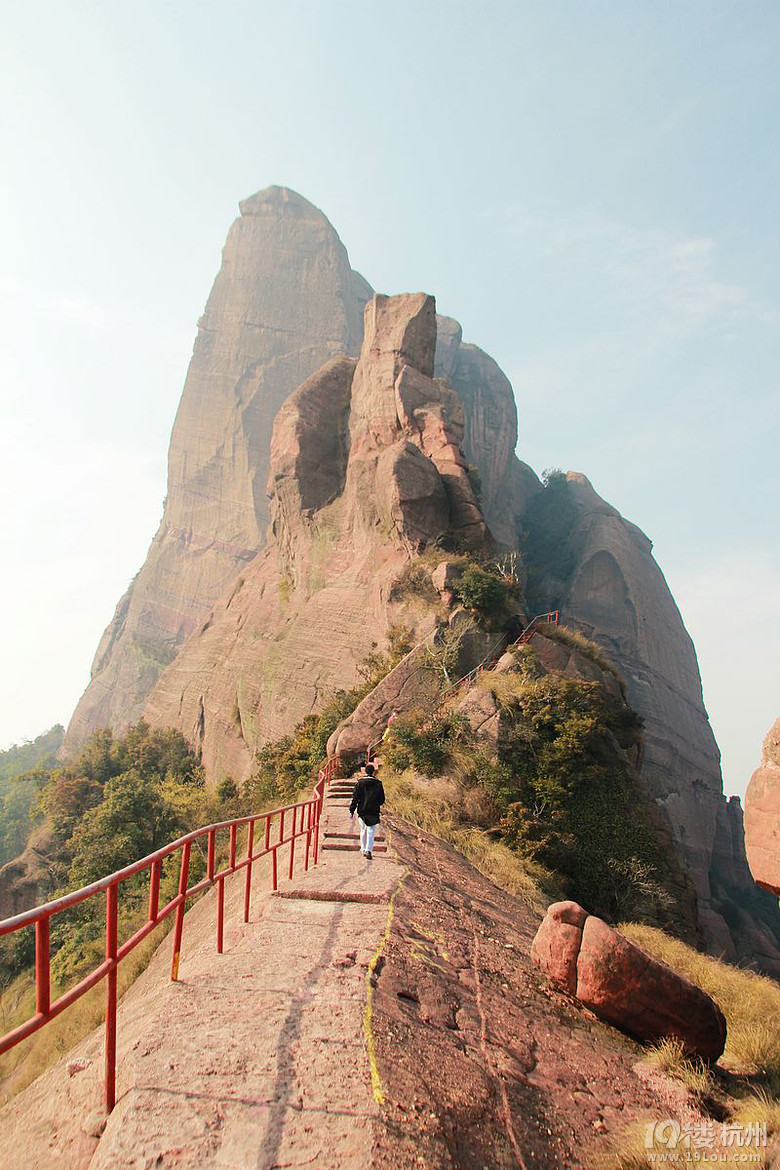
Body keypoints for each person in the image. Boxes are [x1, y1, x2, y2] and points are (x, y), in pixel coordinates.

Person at [349, 762, 385, 860]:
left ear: (365, 772)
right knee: (371, 830)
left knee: (362, 829)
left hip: (362, 810)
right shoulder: (378, 783)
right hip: (373, 810)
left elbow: (355, 798)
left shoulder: (359, 783)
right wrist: (377, 804)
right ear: (373, 773)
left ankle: (363, 848)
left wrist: (352, 810)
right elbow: (382, 799)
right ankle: (369, 850)